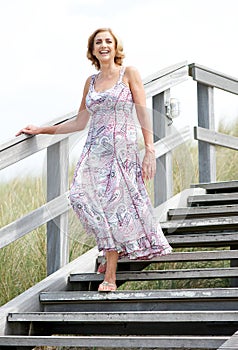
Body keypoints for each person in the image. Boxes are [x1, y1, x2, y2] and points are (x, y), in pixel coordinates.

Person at [16, 27, 172, 292]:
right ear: (92, 50)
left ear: (115, 47)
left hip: (121, 153)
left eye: (108, 41)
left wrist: (150, 149)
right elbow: (79, 121)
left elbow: (144, 114)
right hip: (93, 154)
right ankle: (114, 248)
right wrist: (42, 129)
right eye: (98, 42)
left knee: (111, 207)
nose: (103, 45)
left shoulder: (129, 73)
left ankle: (109, 275)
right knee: (78, 197)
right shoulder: (90, 82)